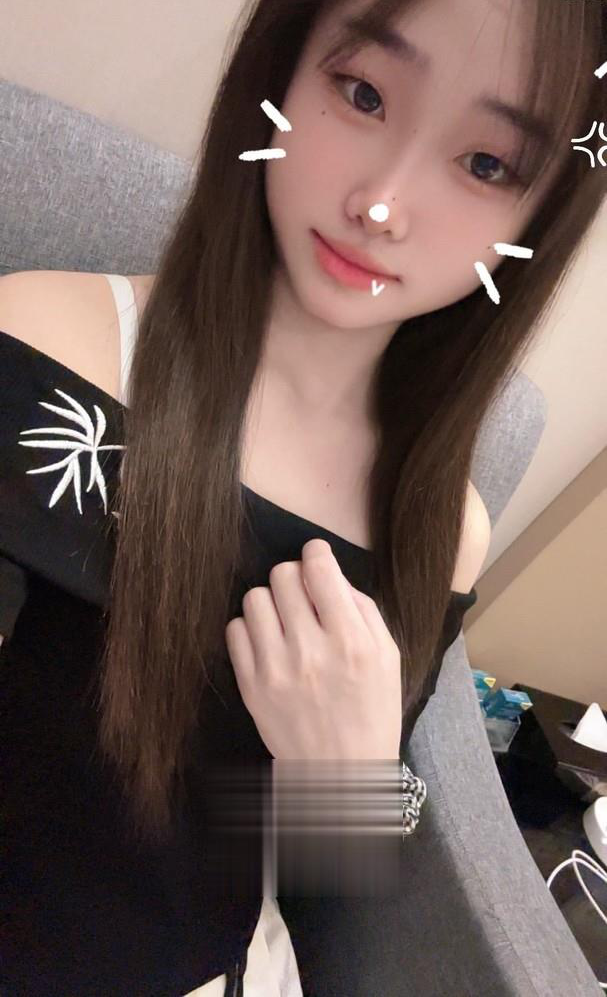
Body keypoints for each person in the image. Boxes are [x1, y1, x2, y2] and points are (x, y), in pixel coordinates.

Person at [0, 0, 605, 993]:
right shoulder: (45, 348)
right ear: (281, 66)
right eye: (362, 93)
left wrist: (350, 785)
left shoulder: (441, 527)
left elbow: (314, 873)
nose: (383, 204)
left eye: (486, 163)